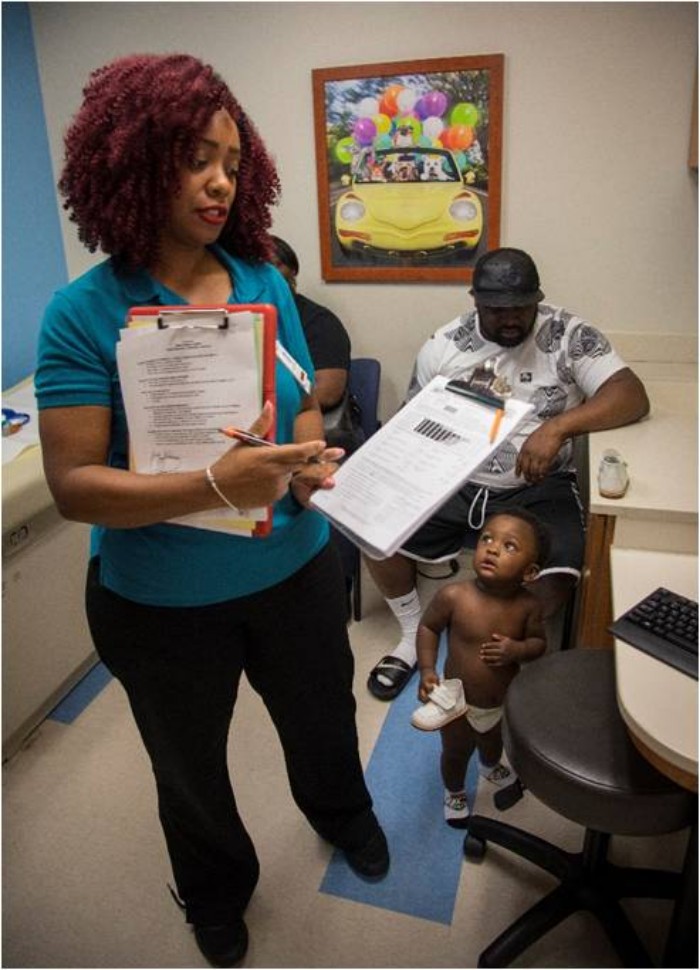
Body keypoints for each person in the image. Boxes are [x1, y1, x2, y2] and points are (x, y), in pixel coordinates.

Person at [35, 53, 388, 969]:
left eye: (232, 160)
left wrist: (307, 466)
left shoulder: (263, 275)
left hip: (294, 573)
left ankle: (344, 816)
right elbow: (74, 486)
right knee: (187, 768)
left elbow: (304, 404)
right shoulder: (81, 314)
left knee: (322, 720)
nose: (220, 181)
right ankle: (216, 891)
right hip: (160, 605)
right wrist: (216, 485)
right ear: (135, 163)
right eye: (195, 158)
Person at [366, 247, 650, 701]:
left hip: (536, 487)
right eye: (498, 311)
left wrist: (558, 427)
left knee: (562, 563)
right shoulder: (445, 344)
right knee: (369, 519)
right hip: (455, 478)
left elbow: (631, 395)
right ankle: (411, 633)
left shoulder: (567, 334)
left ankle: (510, 646)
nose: (512, 319)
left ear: (538, 299)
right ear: (475, 302)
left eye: (523, 307)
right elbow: (412, 419)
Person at [410, 510, 548, 826]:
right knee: (456, 752)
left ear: (529, 572)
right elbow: (428, 628)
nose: (492, 548)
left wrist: (516, 649)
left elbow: (539, 645)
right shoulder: (454, 596)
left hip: (501, 701)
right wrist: (427, 669)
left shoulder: (528, 607)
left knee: (493, 740)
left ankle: (488, 764)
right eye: (487, 538)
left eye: (509, 546)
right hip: (456, 702)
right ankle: (455, 791)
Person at [268, 235, 364, 455]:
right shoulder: (248, 318)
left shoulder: (318, 321)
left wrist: (273, 405)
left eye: (275, 265)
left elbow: (329, 392)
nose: (268, 275)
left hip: (317, 434)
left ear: (293, 272)